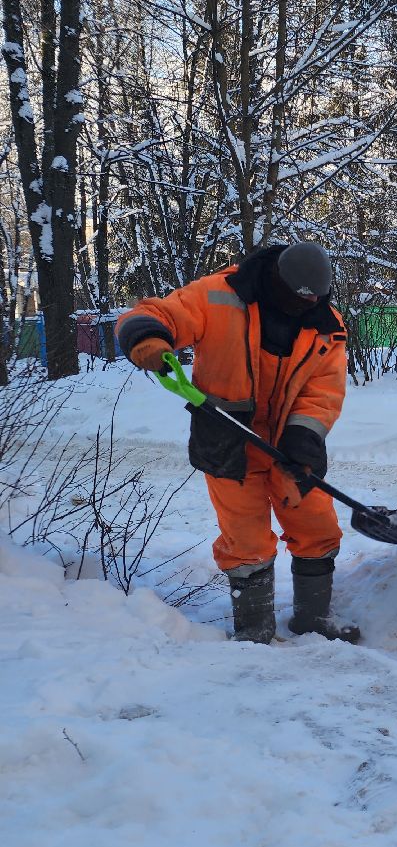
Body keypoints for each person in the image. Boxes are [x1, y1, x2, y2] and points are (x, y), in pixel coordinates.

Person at [117, 241, 360, 646]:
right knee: (245, 538)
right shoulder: (219, 294)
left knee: (317, 525)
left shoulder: (325, 324)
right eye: (297, 299)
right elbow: (156, 314)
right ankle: (254, 627)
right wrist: (148, 337)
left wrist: (304, 438)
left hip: (290, 443)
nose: (303, 307)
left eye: (312, 301)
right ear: (277, 281)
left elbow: (323, 391)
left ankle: (313, 618)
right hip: (227, 438)